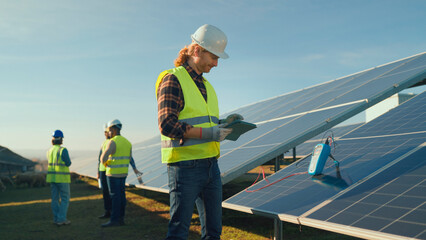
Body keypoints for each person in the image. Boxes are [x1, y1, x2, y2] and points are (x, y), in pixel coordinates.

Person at [155, 24, 243, 240]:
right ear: (197, 51)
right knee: (179, 232)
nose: (216, 64)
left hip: (211, 165)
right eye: (214, 57)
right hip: (185, 168)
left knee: (213, 231)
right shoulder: (173, 79)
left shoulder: (207, 86)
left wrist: (224, 123)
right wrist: (209, 134)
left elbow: (203, 120)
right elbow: (167, 124)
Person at [97, 123, 142, 219]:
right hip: (115, 171)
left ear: (113, 130)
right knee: (114, 194)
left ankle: (115, 217)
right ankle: (113, 214)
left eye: (108, 131)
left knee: (114, 195)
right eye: (106, 132)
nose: (107, 133)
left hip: (112, 172)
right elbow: (129, 157)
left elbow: (101, 158)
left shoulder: (113, 142)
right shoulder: (126, 142)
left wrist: (105, 164)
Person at [46, 129, 72, 226]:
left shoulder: (49, 151)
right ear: (61, 139)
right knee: (65, 199)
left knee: (55, 199)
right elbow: (68, 163)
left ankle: (56, 219)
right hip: (62, 179)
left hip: (52, 178)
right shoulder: (63, 150)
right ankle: (61, 219)